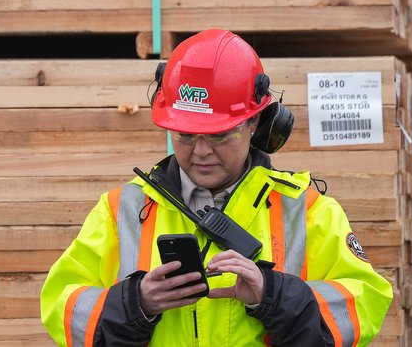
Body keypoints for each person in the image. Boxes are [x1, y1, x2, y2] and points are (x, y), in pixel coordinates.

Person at [40, 28, 392, 346]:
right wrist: (137, 303)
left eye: (220, 134)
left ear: (255, 122)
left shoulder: (307, 211)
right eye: (185, 134)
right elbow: (61, 304)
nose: (201, 151)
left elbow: (365, 304)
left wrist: (273, 295)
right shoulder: (122, 210)